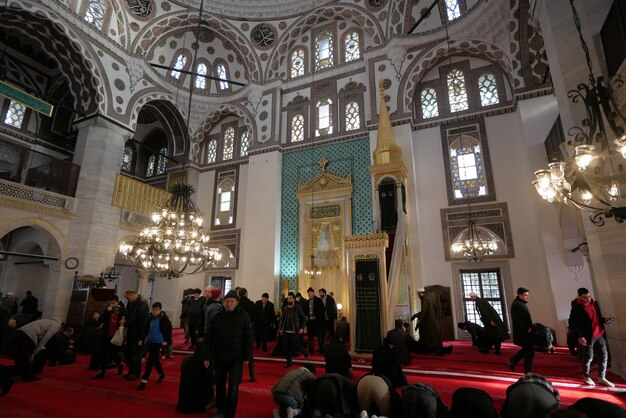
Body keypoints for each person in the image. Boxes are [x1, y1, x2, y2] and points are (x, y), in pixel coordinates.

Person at [204, 289, 252, 418]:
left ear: (237, 302)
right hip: (219, 356)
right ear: (223, 302)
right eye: (227, 301)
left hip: (236, 357)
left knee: (233, 387)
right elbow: (209, 338)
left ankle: (230, 414)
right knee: (219, 385)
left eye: (232, 301)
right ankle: (221, 410)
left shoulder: (244, 316)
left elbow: (248, 337)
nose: (229, 304)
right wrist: (207, 355)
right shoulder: (216, 317)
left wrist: (248, 356)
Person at [568, 287, 614, 387]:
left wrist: (604, 320)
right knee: (589, 357)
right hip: (587, 337)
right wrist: (580, 337)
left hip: (599, 334)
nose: (588, 299)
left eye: (589, 296)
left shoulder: (594, 303)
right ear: (579, 297)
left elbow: (596, 319)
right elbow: (572, 324)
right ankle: (586, 376)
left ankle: (601, 377)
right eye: (585, 297)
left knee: (604, 356)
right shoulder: (576, 308)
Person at [137, 302, 172, 391]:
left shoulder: (164, 319)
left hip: (158, 342)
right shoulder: (150, 318)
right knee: (155, 361)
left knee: (150, 362)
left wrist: (166, 341)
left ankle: (143, 382)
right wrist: (142, 338)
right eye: (153, 309)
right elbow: (146, 329)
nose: (154, 311)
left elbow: (168, 330)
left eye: (156, 310)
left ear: (160, 310)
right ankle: (162, 374)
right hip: (150, 341)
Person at [411, 288, 452, 355]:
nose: (418, 295)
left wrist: (419, 319)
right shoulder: (427, 298)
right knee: (431, 336)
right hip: (429, 321)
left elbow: (424, 311)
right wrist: (416, 315)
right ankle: (434, 349)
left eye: (418, 294)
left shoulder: (425, 299)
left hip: (428, 322)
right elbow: (424, 311)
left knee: (431, 336)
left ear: (420, 293)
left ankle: (434, 349)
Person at [92, 295, 125, 379]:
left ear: (117, 302)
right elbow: (100, 320)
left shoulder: (122, 310)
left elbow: (125, 321)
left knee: (114, 353)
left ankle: (119, 364)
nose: (111, 304)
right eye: (110, 303)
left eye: (113, 303)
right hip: (106, 334)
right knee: (102, 353)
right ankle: (101, 372)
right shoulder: (108, 310)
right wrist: (107, 311)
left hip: (115, 335)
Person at [177, 342, 215, 413]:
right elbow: (211, 382)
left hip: (182, 404)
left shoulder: (185, 359)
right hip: (198, 406)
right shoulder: (207, 361)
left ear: (195, 347)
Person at [122, 289, 149, 381]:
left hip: (139, 332)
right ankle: (131, 371)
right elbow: (127, 312)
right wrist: (125, 319)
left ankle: (136, 374)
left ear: (132, 295)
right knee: (127, 352)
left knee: (136, 354)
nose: (127, 300)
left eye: (127, 298)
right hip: (131, 330)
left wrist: (126, 322)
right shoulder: (131, 302)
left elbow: (138, 317)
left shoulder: (143, 303)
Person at [278, 292, 309, 368]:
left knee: (296, 345)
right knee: (285, 347)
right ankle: (289, 362)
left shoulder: (298, 308)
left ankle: (305, 351)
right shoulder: (285, 308)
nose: (288, 300)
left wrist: (302, 328)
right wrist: (281, 329)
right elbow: (282, 320)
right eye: (288, 298)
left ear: (294, 299)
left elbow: (304, 318)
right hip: (286, 331)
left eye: (290, 298)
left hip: (295, 331)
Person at [508, 287, 535, 374]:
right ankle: (527, 371)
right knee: (529, 351)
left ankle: (513, 361)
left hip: (524, 331)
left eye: (528, 295)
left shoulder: (520, 303)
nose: (527, 297)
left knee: (528, 350)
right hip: (523, 332)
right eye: (526, 295)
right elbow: (518, 320)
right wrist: (527, 328)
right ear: (520, 295)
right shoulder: (518, 304)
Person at [237, 288, 256, 382]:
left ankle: (239, 377)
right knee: (249, 355)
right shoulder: (251, 303)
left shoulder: (237, 304)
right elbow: (253, 316)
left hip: (239, 331)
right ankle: (252, 376)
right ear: (246, 294)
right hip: (248, 330)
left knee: (239, 356)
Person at [305, 287, 326, 354]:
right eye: (308, 294)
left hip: (318, 322)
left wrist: (316, 316)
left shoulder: (319, 300)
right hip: (310, 322)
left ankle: (321, 350)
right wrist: (306, 316)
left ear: (313, 293)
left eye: (310, 293)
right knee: (310, 337)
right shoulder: (307, 302)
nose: (309, 295)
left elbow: (322, 310)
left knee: (320, 337)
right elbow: (305, 311)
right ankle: (311, 351)